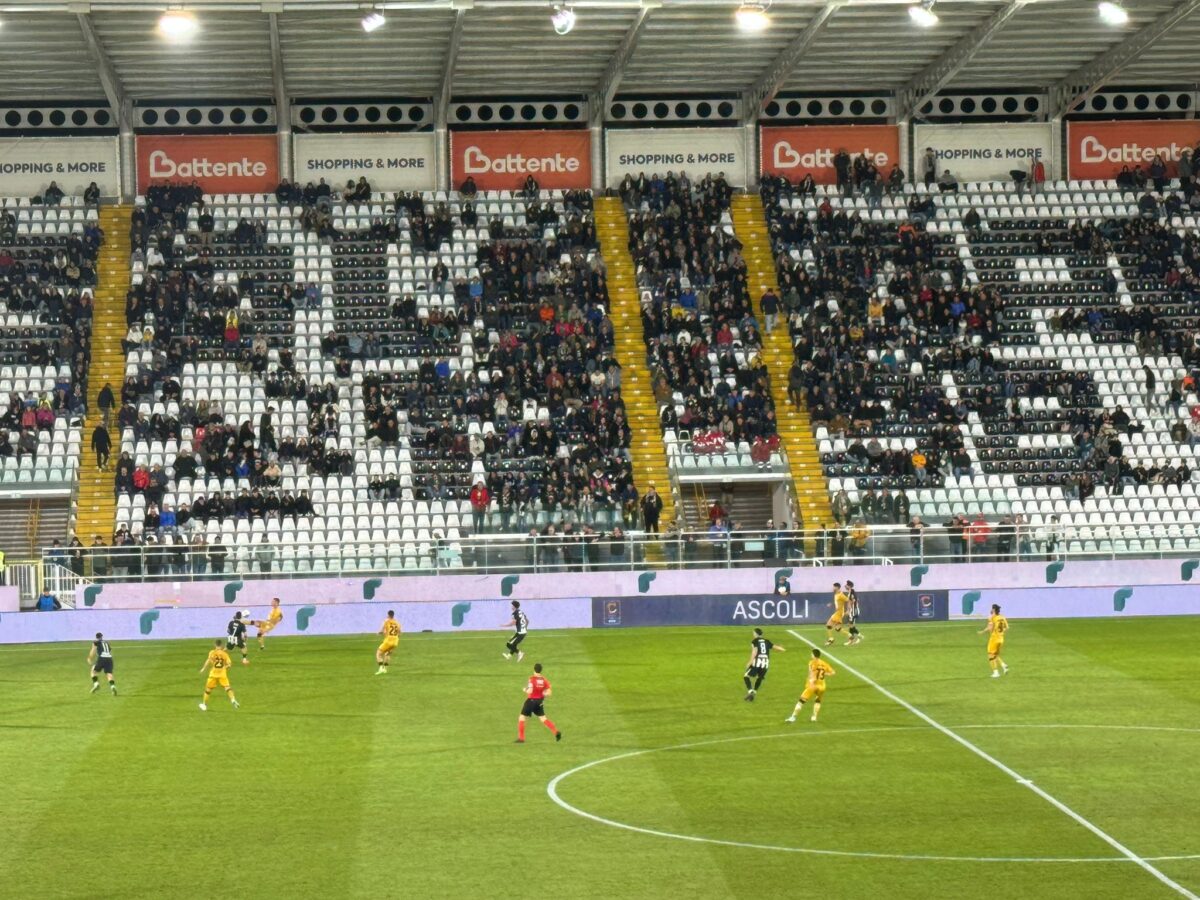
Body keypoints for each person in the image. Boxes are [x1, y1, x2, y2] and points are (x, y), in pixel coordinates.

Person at [786, 648, 835, 723]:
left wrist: (811, 681)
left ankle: (793, 717)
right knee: (818, 701)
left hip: (813, 686)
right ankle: (814, 717)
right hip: (822, 686)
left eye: (812, 654)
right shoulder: (824, 663)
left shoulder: (812, 663)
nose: (811, 655)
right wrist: (824, 674)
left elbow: (812, 674)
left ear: (814, 655)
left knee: (801, 701)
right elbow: (833, 672)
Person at [516, 662, 561, 744]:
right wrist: (544, 693)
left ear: (534, 669)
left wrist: (524, 689)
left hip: (531, 701)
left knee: (522, 718)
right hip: (539, 702)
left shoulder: (532, 679)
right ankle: (556, 732)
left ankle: (521, 738)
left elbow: (530, 690)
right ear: (541, 670)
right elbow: (549, 693)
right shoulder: (544, 680)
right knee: (543, 719)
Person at [743, 627, 785, 702]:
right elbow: (776, 648)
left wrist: (750, 662)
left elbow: (754, 652)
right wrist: (782, 649)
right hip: (765, 663)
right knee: (759, 678)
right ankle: (754, 693)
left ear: (756, 634)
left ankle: (750, 692)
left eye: (753, 633)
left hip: (757, 662)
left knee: (746, 676)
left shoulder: (754, 641)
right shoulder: (766, 641)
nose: (753, 634)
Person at [199, 639, 239, 711]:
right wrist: (224, 667)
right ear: (221, 645)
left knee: (208, 690)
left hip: (213, 674)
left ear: (215, 645)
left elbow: (209, 660)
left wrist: (203, 668)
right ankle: (233, 699)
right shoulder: (225, 654)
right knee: (227, 688)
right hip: (222, 674)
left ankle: (204, 705)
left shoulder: (212, 652)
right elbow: (229, 664)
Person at [979, 603, 1010, 679]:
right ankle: (1003, 666)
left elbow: (990, 628)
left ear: (993, 610)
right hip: (1001, 639)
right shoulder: (1002, 617)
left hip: (994, 639)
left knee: (990, 655)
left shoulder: (992, 618)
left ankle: (996, 672)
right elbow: (1007, 627)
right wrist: (1001, 632)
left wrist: (983, 631)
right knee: (995, 654)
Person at [376, 609, 401, 675]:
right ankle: (385, 669)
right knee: (387, 654)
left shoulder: (386, 621)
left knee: (378, 653)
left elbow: (382, 630)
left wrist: (379, 632)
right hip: (395, 642)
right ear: (393, 615)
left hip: (388, 640)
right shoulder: (397, 623)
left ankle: (381, 668)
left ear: (388, 615)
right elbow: (399, 633)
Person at [843, 580, 863, 645]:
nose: (845, 586)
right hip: (853, 610)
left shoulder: (852, 592)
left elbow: (852, 601)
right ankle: (853, 640)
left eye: (846, 585)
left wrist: (848, 610)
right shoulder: (851, 592)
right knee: (850, 625)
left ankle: (859, 637)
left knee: (850, 625)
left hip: (853, 611)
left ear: (849, 586)